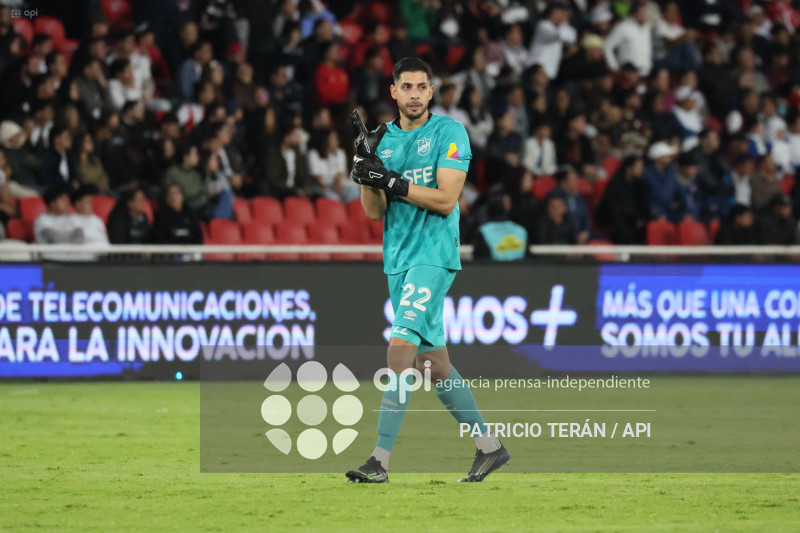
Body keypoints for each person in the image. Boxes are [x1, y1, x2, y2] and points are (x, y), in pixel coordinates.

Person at [345, 57, 509, 484]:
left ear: (431, 92)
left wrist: (393, 180)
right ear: (394, 91)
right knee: (434, 365)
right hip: (397, 258)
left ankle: (379, 460)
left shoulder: (449, 133)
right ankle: (489, 448)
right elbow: (374, 212)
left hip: (434, 255)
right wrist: (367, 171)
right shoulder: (384, 140)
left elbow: (446, 200)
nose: (415, 94)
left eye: (422, 86)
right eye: (407, 86)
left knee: (400, 347)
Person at [596, 156, 650, 244]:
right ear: (629, 169)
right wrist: (634, 218)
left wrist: (640, 218)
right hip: (615, 223)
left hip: (632, 221)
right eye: (639, 167)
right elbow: (614, 211)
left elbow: (644, 206)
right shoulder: (615, 184)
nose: (642, 170)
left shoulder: (640, 184)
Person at [473, 194, 528, 261]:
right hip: (521, 271)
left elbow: (480, 264)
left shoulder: (483, 232)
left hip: (494, 270)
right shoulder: (521, 231)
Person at [69, 186, 109, 260]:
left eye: (91, 201)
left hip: (101, 260)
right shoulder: (69, 221)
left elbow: (104, 241)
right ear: (77, 204)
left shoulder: (98, 220)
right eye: (87, 202)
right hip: (78, 260)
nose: (91, 204)